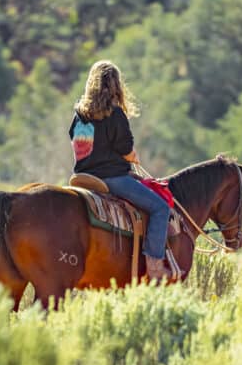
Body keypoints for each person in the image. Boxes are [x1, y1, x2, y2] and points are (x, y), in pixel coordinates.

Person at [69, 60, 174, 280]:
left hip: (83, 178)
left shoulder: (80, 114)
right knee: (160, 209)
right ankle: (154, 268)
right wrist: (133, 156)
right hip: (112, 178)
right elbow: (126, 151)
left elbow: (79, 144)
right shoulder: (114, 114)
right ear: (116, 85)